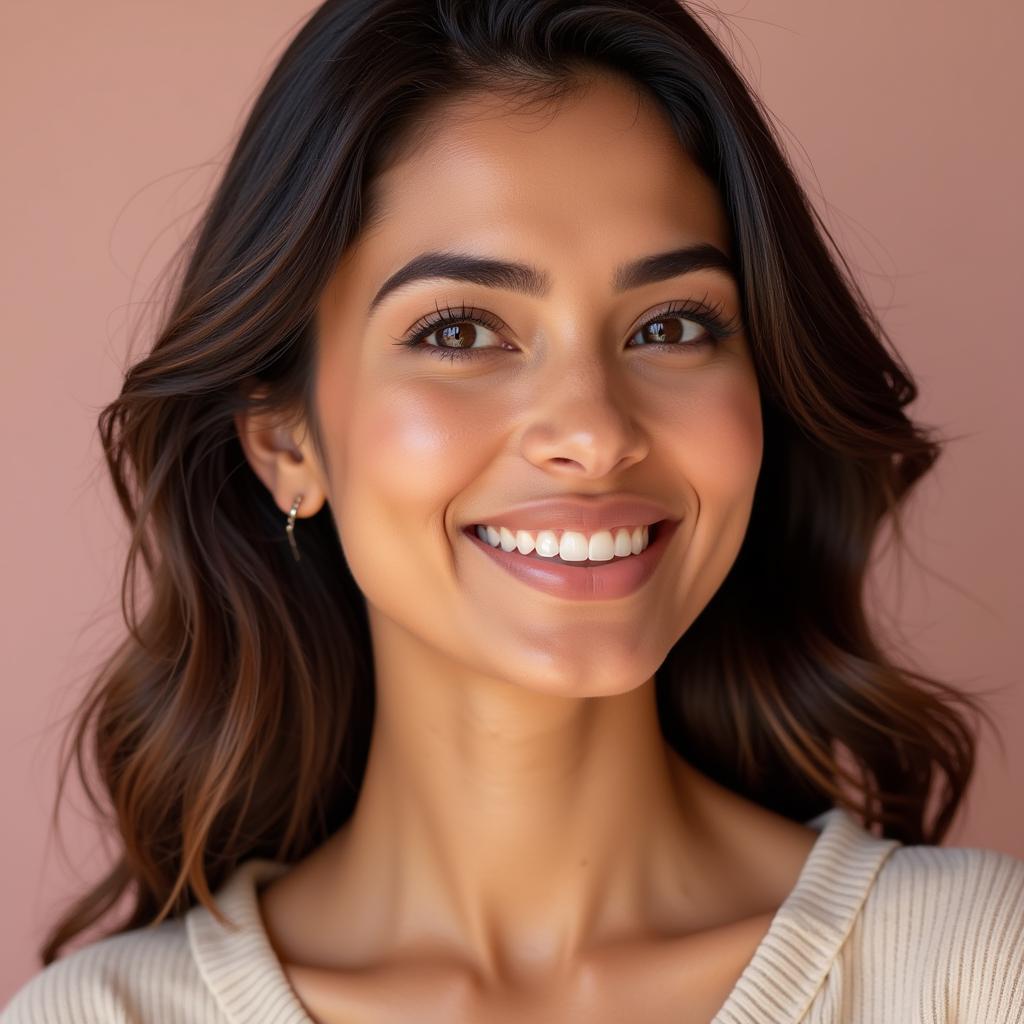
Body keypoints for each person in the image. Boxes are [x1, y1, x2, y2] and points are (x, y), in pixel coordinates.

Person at [4, 1, 1022, 1021]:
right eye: (458, 331)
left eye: (671, 324)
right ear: (286, 440)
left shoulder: (972, 972)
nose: (593, 429)